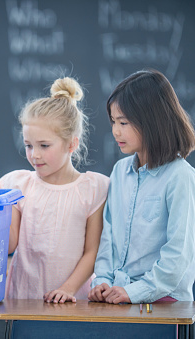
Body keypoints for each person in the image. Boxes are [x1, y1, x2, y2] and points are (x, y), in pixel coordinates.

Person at [0, 77, 110, 303]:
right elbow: (9, 244)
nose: (34, 154)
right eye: (28, 145)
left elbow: (92, 251)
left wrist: (67, 289)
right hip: (23, 302)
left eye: (44, 146)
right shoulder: (18, 185)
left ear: (71, 144)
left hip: (75, 304)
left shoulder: (93, 189)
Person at [89, 69, 195, 304]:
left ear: (151, 120)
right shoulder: (119, 172)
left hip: (165, 301)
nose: (116, 131)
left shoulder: (180, 177)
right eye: (114, 122)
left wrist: (136, 291)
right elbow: (109, 237)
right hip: (119, 297)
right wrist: (102, 281)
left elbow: (178, 254)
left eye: (124, 122)